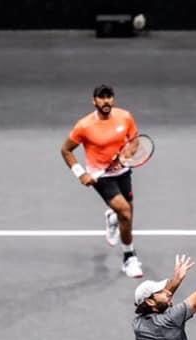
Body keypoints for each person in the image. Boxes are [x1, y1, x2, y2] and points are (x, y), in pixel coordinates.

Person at [61, 84, 144, 278]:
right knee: (126, 212)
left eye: (109, 97)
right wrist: (80, 173)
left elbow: (134, 140)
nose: (106, 101)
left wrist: (127, 154)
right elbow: (66, 150)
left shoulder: (125, 117)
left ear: (113, 99)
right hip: (101, 176)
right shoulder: (84, 126)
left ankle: (112, 217)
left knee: (126, 213)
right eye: (101, 97)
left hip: (123, 171)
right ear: (94, 101)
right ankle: (129, 257)